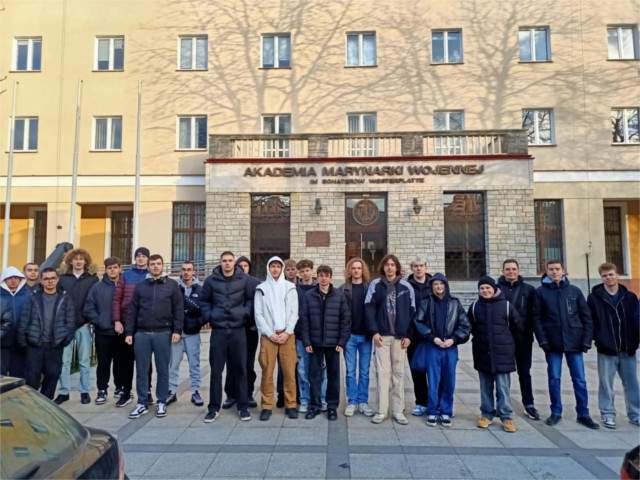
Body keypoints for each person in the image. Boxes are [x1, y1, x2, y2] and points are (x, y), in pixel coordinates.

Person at [533, 259, 599, 429]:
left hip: (574, 342)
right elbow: (537, 319)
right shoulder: (541, 292)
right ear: (547, 272)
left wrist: (586, 341)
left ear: (563, 270)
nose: (554, 272)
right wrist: (543, 341)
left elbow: (586, 317)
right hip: (552, 343)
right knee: (554, 378)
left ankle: (583, 413)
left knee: (579, 379)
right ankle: (556, 412)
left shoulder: (574, 291)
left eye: (557, 269)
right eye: (551, 269)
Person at [125, 254, 183, 419]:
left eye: (158, 263)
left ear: (163, 265)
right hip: (142, 334)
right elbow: (132, 311)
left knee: (163, 370)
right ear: (148, 266)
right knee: (141, 370)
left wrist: (177, 330)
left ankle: (162, 401)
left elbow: (178, 309)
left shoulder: (172, 285)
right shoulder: (140, 286)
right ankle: (142, 403)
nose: (156, 266)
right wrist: (129, 332)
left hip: (163, 333)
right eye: (152, 264)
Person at [200, 251, 254, 423]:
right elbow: (204, 301)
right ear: (220, 262)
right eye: (224, 261)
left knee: (241, 370)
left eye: (230, 260)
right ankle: (213, 408)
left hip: (238, 331)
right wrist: (210, 316)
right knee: (216, 371)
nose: (227, 263)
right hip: (219, 331)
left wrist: (244, 313)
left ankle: (243, 407)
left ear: (234, 262)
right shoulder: (211, 281)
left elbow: (250, 300)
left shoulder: (244, 280)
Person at [414, 273, 470, 428]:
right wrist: (432, 337)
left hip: (450, 347)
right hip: (433, 346)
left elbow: (465, 325)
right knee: (433, 380)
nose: (439, 287)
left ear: (446, 285)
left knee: (449, 380)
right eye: (435, 284)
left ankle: (446, 411)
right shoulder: (426, 303)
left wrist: (454, 339)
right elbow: (418, 322)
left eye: (441, 284)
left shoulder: (455, 303)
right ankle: (432, 410)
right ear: (432, 287)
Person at [365, 254, 415, 425]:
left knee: (398, 373)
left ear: (397, 267)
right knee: (382, 373)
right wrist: (374, 332)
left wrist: (409, 335)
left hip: (400, 338)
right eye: (387, 264)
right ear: (383, 267)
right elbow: (369, 309)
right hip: (382, 337)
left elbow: (413, 312)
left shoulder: (406, 287)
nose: (390, 267)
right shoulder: (375, 285)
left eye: (393, 264)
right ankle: (381, 410)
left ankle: (398, 410)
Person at [587, 262, 639, 428]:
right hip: (606, 349)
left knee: (632, 384)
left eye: (611, 274)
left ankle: (636, 414)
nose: (608, 278)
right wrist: (598, 338)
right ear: (601, 277)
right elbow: (591, 321)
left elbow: (636, 320)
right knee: (606, 384)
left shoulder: (630, 297)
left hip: (628, 349)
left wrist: (635, 340)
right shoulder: (594, 298)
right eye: (605, 276)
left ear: (617, 275)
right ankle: (608, 414)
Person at [468, 276, 522, 432]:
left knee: (503, 387)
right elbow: (470, 327)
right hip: (482, 352)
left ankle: (506, 416)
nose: (485, 291)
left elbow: (517, 327)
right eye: (482, 288)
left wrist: (508, 344)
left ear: (494, 289)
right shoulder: (474, 307)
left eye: (488, 288)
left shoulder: (506, 306)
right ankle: (486, 414)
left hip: (502, 353)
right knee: (485, 387)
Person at [300, 265, 351, 421]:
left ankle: (331, 406)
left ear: (330, 277)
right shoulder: (309, 295)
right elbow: (304, 320)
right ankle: (314, 406)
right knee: (314, 376)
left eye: (326, 275)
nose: (323, 278)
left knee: (333, 377)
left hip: (333, 344)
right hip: (314, 343)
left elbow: (345, 320)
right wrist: (306, 341)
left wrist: (342, 341)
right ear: (317, 277)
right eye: (321, 275)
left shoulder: (339, 295)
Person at [17, 268, 75, 399]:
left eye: (53, 278)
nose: (50, 281)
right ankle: (32, 405)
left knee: (52, 377)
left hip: (54, 346)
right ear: (41, 281)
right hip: (35, 345)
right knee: (32, 379)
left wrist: (64, 340)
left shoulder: (65, 298)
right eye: (46, 278)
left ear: (57, 279)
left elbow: (71, 322)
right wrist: (24, 343)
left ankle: (46, 405)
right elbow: (24, 320)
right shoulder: (33, 297)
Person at [254, 256, 299, 421]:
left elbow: (294, 312)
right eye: (272, 266)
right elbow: (258, 314)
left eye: (278, 266)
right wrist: (270, 333)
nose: (275, 269)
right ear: (268, 268)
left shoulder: (290, 287)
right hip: (269, 336)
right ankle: (267, 406)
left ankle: (291, 404)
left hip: (287, 335)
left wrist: (287, 332)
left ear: (282, 269)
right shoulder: (261, 288)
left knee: (289, 372)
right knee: (267, 371)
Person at [497, 259, 540, 420]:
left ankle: (529, 405)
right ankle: (501, 404)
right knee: (501, 373)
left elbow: (534, 314)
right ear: (503, 271)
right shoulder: (496, 289)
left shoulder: (529, 290)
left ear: (518, 271)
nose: (511, 272)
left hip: (523, 339)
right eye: (508, 269)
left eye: (514, 269)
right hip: (502, 339)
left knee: (524, 372)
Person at [55, 248, 99, 405]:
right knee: (64, 361)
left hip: (83, 324)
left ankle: (84, 391)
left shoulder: (92, 279)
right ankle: (63, 392)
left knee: (84, 360)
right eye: (76, 259)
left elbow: (95, 300)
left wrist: (90, 319)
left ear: (86, 261)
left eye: (81, 259)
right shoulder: (62, 278)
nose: (79, 261)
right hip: (65, 325)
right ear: (70, 261)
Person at [84, 257, 124, 405]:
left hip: (121, 332)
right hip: (103, 332)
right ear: (106, 270)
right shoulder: (97, 287)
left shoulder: (125, 285)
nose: (112, 270)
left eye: (115, 267)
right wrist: (100, 321)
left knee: (121, 362)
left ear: (120, 268)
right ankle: (102, 390)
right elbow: (89, 307)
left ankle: (120, 387)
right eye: (109, 268)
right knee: (103, 363)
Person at [112, 247, 150, 407]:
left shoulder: (151, 275)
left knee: (146, 362)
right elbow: (117, 299)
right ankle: (126, 392)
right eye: (138, 256)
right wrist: (117, 320)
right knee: (126, 361)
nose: (140, 258)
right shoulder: (126, 276)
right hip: (127, 324)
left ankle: (147, 392)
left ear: (147, 259)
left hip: (145, 324)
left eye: (143, 256)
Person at [223, 256, 260, 409]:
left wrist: (255, 323)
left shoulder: (255, 282)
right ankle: (231, 394)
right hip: (232, 329)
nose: (243, 268)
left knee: (248, 364)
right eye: (240, 265)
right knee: (232, 363)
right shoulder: (229, 282)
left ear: (249, 267)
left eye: (246, 265)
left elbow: (259, 305)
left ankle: (248, 394)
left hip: (249, 330)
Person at [167, 261, 205, 407]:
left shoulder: (200, 290)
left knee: (194, 365)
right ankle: (171, 392)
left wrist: (198, 323)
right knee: (173, 365)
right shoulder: (174, 288)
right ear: (180, 271)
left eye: (189, 270)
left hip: (192, 334)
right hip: (176, 334)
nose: (186, 272)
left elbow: (205, 309)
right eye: (184, 269)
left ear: (194, 272)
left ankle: (195, 392)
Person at [340, 258, 373, 417]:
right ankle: (352, 401)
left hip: (366, 336)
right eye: (353, 268)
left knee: (365, 371)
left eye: (359, 268)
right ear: (349, 270)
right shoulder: (343, 288)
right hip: (350, 337)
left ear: (363, 270)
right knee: (350, 371)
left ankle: (363, 401)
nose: (356, 270)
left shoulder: (370, 288)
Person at [295, 259, 326, 413]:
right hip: (301, 335)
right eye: (302, 271)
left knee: (321, 369)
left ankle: (322, 398)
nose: (305, 273)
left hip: (319, 336)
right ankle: (305, 399)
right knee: (302, 369)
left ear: (312, 271)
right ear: (299, 273)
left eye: (307, 270)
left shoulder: (320, 288)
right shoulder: (295, 289)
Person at [406, 256, 432, 416]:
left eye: (421, 265)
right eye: (415, 266)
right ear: (412, 268)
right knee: (417, 370)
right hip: (414, 336)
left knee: (435, 371)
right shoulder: (406, 286)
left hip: (432, 336)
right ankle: (421, 402)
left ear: (425, 267)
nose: (419, 268)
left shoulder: (434, 285)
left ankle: (435, 403)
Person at [1, 266, 31, 378]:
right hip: (2, 341)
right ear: (4, 279)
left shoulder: (28, 295)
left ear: (20, 279)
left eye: (16, 277)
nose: (13, 280)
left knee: (18, 373)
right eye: (9, 278)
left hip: (21, 340)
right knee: (1, 372)